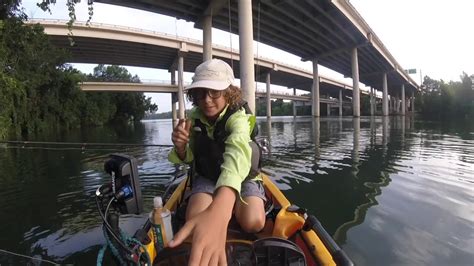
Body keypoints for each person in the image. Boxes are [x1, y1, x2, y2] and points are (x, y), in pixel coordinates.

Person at [167, 59, 266, 265]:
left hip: (243, 176)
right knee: (194, 217)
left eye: (215, 92)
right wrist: (180, 147)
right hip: (209, 175)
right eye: (200, 93)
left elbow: (239, 151)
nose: (207, 100)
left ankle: (227, 207)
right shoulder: (192, 119)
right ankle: (226, 208)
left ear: (229, 92)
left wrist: (221, 205)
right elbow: (190, 159)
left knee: (254, 222)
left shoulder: (239, 118)